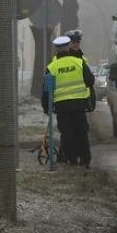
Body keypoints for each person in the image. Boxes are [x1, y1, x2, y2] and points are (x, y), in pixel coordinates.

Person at [42, 35, 95, 167]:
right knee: (81, 132)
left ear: (56, 49)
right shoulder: (79, 62)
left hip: (61, 106)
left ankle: (71, 160)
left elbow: (47, 90)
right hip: (79, 104)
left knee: (67, 133)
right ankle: (85, 159)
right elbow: (90, 81)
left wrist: (46, 108)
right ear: (67, 47)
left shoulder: (52, 67)